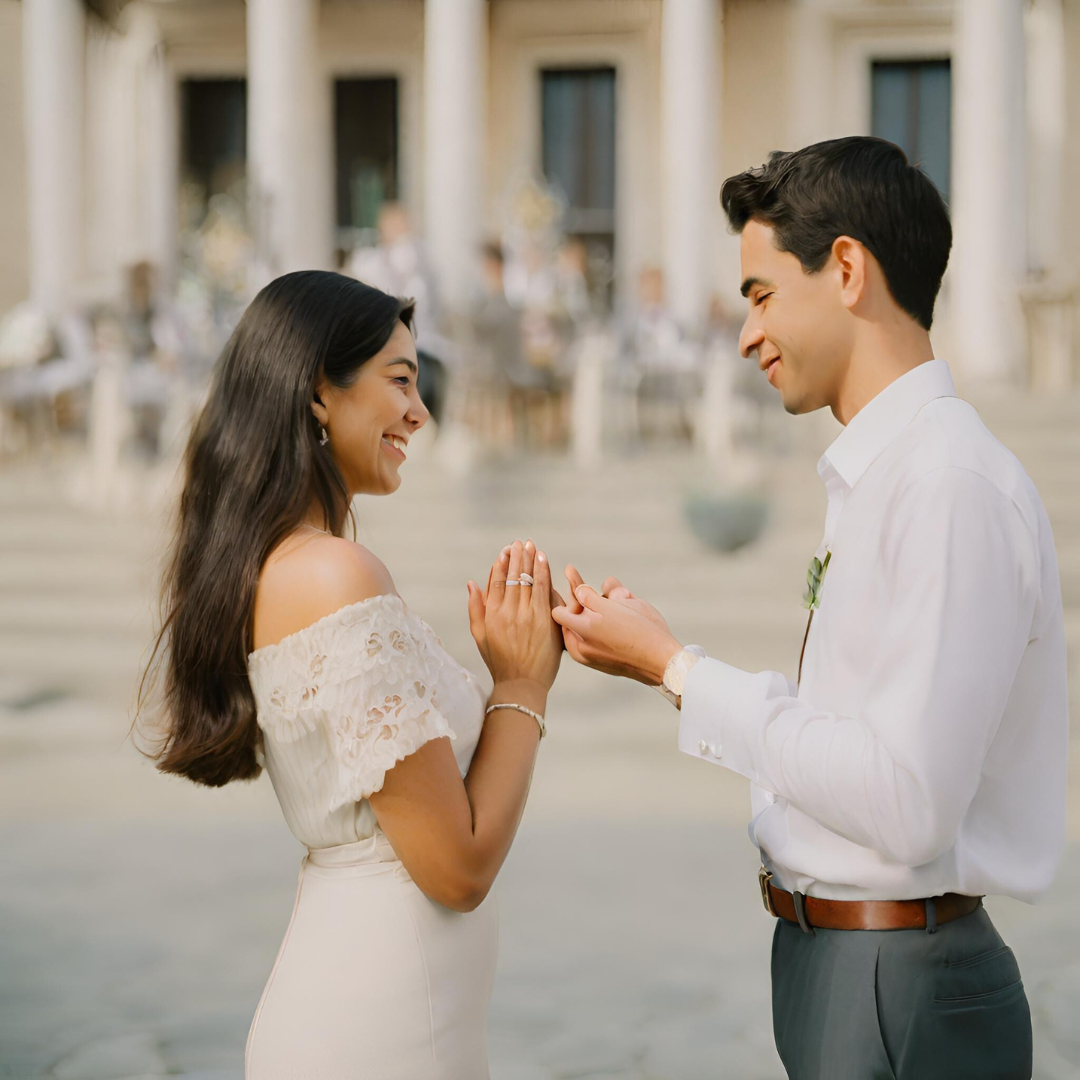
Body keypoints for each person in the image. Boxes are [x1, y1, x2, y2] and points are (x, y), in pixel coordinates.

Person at [551, 137, 1067, 1080]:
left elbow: (907, 803)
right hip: (845, 964)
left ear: (844, 269)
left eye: (759, 294)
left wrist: (677, 669)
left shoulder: (947, 483)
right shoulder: (888, 474)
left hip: (899, 980)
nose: (746, 334)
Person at [141, 270, 563, 1078]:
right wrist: (521, 685)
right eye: (399, 380)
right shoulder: (335, 575)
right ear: (316, 394)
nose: (419, 410)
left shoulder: (290, 566)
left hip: (380, 1008)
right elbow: (458, 867)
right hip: (383, 1029)